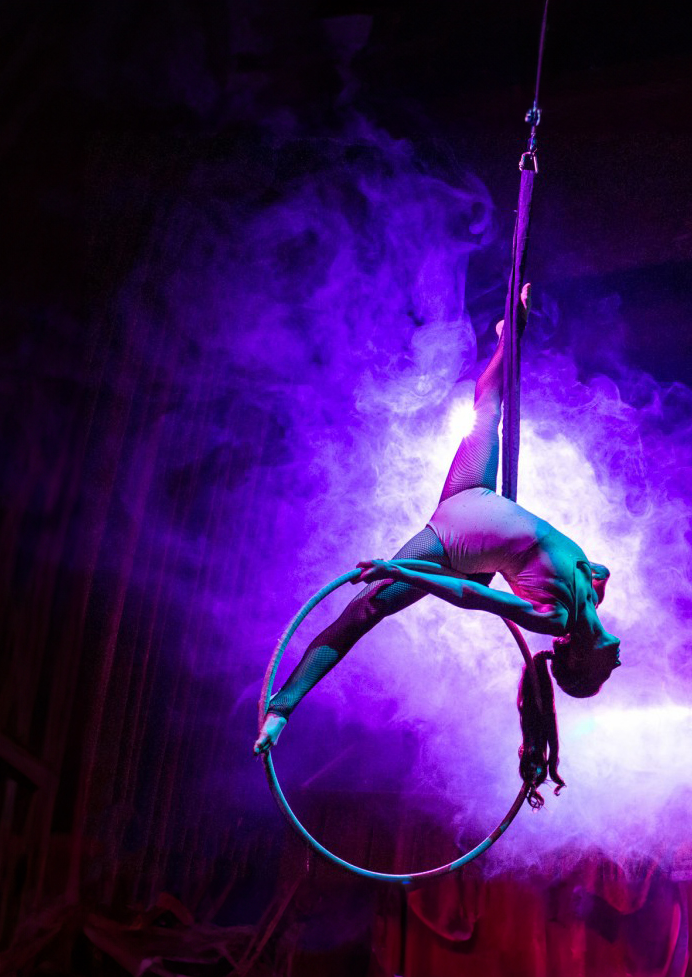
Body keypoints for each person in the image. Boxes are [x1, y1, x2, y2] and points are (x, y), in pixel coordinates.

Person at [253, 286, 620, 804]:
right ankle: (506, 336)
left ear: (580, 656)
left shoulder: (564, 610)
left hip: (459, 532)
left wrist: (403, 571)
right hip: (472, 507)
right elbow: (540, 577)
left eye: (604, 673)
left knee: (368, 607)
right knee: (485, 410)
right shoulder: (594, 586)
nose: (619, 664)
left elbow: (471, 597)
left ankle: (282, 708)